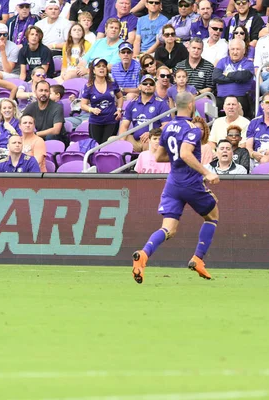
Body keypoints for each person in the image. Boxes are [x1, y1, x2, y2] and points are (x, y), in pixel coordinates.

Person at [131, 91, 220, 283]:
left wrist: (178, 158)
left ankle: (144, 255)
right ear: (190, 105)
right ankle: (198, 259)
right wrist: (207, 172)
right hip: (191, 182)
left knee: (168, 229)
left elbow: (159, 157)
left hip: (173, 183)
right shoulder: (192, 129)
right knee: (212, 216)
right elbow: (186, 154)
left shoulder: (168, 127)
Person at [120, 74, 170, 152]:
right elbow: (124, 126)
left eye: (151, 84)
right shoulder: (133, 103)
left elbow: (166, 125)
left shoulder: (161, 103)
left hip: (151, 140)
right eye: (145, 83)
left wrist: (151, 133)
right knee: (111, 140)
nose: (148, 85)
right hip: (135, 140)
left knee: (151, 143)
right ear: (140, 86)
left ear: (155, 87)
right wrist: (121, 143)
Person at [80, 58, 123, 144]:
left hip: (111, 119)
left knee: (107, 145)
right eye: (98, 66)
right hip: (96, 121)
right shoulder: (89, 86)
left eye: (104, 66)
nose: (102, 68)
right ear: (93, 70)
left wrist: (119, 109)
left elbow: (120, 97)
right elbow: (83, 105)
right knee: (96, 146)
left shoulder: (112, 83)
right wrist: (92, 109)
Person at [212, 38, 255, 118]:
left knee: (237, 106)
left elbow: (243, 76)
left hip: (240, 98)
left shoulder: (248, 63)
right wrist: (236, 78)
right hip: (221, 98)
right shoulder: (222, 61)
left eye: (238, 49)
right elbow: (215, 77)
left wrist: (227, 74)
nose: (235, 52)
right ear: (229, 50)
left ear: (244, 51)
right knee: (210, 106)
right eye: (232, 49)